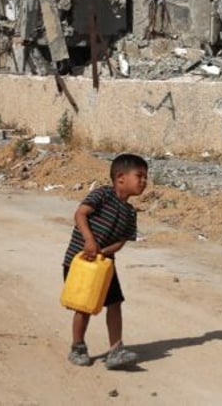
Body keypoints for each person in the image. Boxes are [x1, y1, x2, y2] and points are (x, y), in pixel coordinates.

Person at [62, 153, 148, 369]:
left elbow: (121, 241)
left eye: (146, 177)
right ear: (120, 177)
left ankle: (115, 350)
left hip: (104, 265)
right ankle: (78, 347)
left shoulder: (130, 212)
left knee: (115, 304)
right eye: (140, 176)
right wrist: (89, 241)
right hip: (80, 262)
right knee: (84, 306)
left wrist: (101, 252)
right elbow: (80, 214)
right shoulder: (102, 194)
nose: (144, 181)